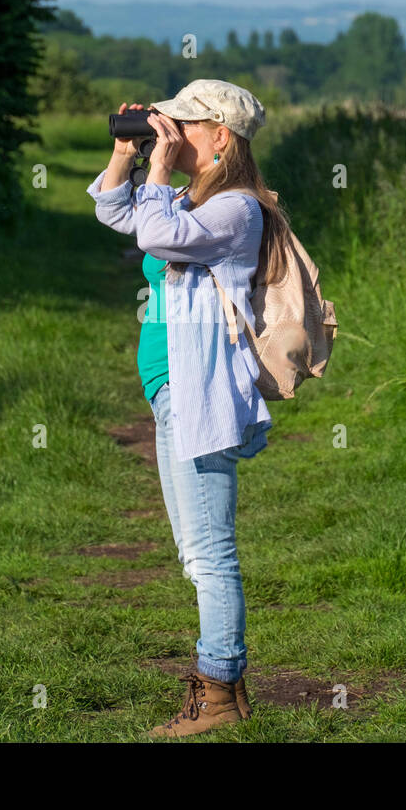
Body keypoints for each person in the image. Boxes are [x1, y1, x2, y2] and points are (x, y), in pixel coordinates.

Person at [87, 79, 294, 737]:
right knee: (191, 552)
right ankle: (218, 692)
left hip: (199, 394)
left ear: (219, 137)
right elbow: (116, 213)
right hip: (170, 392)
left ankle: (221, 696)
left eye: (182, 125)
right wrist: (126, 151)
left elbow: (154, 234)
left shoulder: (235, 209)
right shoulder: (189, 199)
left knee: (210, 552)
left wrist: (153, 164)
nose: (168, 133)